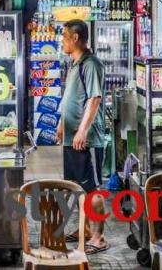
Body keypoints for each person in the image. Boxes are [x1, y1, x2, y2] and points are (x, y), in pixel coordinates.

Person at [56, 19, 109, 254]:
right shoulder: (75, 64)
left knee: (92, 188)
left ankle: (98, 236)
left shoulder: (91, 64)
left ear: (75, 38)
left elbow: (94, 99)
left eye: (64, 36)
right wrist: (61, 124)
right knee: (77, 187)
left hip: (87, 140)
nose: (62, 40)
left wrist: (82, 130)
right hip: (72, 138)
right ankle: (85, 229)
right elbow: (71, 98)